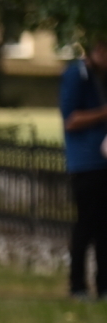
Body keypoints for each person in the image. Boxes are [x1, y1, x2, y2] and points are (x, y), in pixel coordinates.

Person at [60, 38, 107, 300]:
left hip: (103, 160)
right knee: (86, 226)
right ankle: (77, 283)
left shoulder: (100, 77)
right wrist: (103, 114)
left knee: (104, 229)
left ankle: (103, 285)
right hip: (86, 163)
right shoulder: (76, 76)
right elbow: (71, 119)